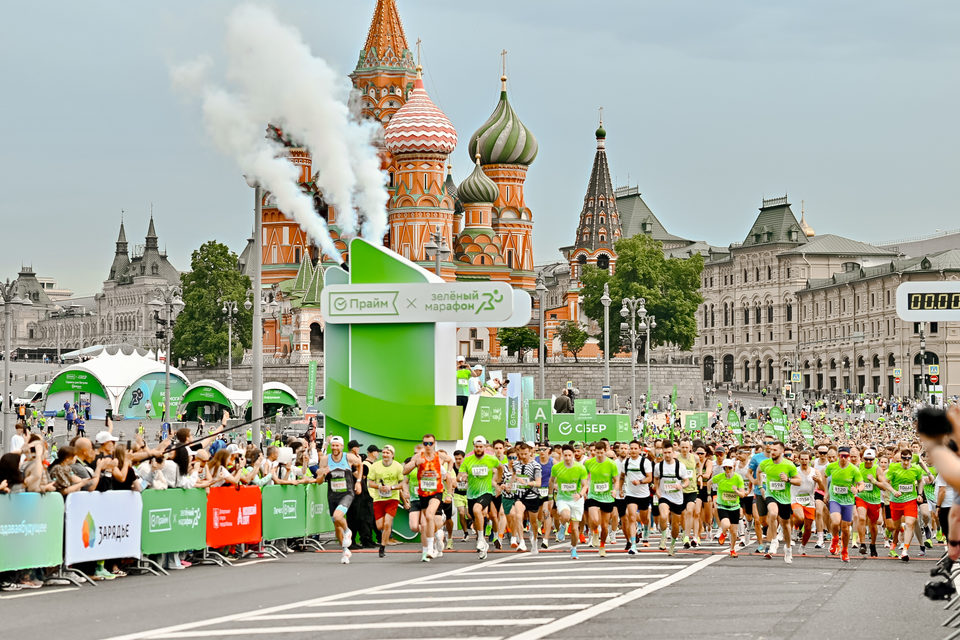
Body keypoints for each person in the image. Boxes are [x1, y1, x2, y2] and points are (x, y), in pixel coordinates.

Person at [403, 433, 451, 562]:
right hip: (422, 494)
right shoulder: (418, 457)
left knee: (429, 515)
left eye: (430, 443)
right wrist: (415, 463)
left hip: (436, 492)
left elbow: (450, 462)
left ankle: (430, 548)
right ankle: (433, 540)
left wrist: (449, 492)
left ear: (434, 444)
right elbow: (404, 471)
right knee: (424, 525)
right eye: (425, 443)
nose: (428, 446)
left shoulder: (439, 457)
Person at [316, 435, 363, 564]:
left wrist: (358, 481)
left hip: (347, 493)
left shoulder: (349, 457)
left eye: (337, 445)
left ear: (342, 446)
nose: (335, 448)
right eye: (333, 445)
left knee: (338, 516)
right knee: (337, 525)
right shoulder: (325, 460)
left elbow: (360, 465)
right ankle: (345, 551)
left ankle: (348, 531)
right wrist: (323, 474)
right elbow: (319, 481)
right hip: (332, 495)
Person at [459, 436, 501, 560]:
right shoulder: (468, 460)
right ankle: (483, 546)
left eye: (481, 447)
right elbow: (460, 474)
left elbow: (501, 467)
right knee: (474, 517)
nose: (478, 449)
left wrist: (497, 481)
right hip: (471, 493)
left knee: (478, 510)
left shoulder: (491, 459)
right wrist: (462, 477)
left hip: (486, 491)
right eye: (476, 447)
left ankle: (481, 539)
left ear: (484, 447)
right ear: (474, 447)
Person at [758, 441, 801, 563]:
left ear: (782, 451)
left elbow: (799, 481)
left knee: (786, 526)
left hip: (784, 498)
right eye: (771, 450)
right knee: (772, 513)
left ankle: (788, 548)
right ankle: (774, 540)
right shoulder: (765, 463)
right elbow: (758, 472)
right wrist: (761, 487)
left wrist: (788, 479)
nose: (772, 452)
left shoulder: (789, 465)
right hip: (771, 495)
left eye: (775, 450)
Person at [825, 445, 864, 563]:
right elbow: (824, 476)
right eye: (841, 456)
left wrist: (857, 490)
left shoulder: (853, 469)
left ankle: (845, 551)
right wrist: (826, 492)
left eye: (846, 456)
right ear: (838, 456)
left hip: (848, 501)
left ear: (849, 457)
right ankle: (835, 539)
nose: (843, 458)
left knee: (846, 529)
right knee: (835, 521)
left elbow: (861, 484)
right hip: (835, 499)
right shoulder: (831, 467)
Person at [654, 439, 691, 556]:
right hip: (664, 496)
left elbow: (687, 481)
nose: (667, 455)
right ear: (662, 453)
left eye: (669, 452)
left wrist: (681, 486)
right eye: (665, 453)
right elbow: (656, 479)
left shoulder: (680, 466)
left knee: (675, 526)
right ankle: (664, 536)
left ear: (673, 453)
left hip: (677, 498)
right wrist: (657, 490)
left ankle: (672, 545)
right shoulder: (658, 466)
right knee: (663, 515)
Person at [550, 444, 588, 559]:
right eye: (565, 455)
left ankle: (574, 548)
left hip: (576, 499)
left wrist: (580, 494)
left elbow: (585, 485)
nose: (567, 458)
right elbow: (551, 481)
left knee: (575, 529)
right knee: (565, 516)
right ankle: (562, 526)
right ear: (562, 455)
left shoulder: (580, 468)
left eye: (569, 455)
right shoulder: (557, 467)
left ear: (573, 455)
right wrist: (551, 494)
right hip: (562, 498)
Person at [886, 447, 924, 561]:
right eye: (904, 459)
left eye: (908, 459)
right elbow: (886, 483)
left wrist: (920, 494)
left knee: (909, 523)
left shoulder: (916, 469)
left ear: (911, 458)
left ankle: (905, 551)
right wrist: (893, 491)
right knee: (896, 527)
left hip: (910, 500)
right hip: (896, 501)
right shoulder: (894, 467)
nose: (906, 461)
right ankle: (894, 543)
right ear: (901, 458)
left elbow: (921, 481)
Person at [367, 444, 403, 558]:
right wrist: (379, 486)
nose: (385, 455)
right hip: (378, 499)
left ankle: (382, 548)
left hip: (392, 498)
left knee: (387, 523)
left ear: (392, 455)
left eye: (388, 453)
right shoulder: (375, 466)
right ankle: (385, 537)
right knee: (379, 526)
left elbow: (402, 483)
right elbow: (370, 482)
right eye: (383, 452)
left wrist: (391, 487)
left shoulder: (398, 466)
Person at [620, 440, 653, 555]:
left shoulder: (645, 462)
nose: (633, 451)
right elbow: (622, 477)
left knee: (644, 519)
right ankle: (633, 544)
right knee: (631, 517)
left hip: (643, 494)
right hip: (630, 494)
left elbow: (649, 478)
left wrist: (640, 481)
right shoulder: (626, 462)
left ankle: (645, 530)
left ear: (640, 449)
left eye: (635, 448)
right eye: (631, 448)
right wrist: (620, 489)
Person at [711, 458, 748, 556]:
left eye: (729, 468)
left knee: (734, 532)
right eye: (725, 468)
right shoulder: (720, 477)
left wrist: (736, 491)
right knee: (726, 524)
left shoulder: (738, 478)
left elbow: (742, 495)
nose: (727, 470)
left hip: (734, 507)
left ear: (733, 468)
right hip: (722, 506)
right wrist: (709, 496)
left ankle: (732, 549)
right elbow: (709, 482)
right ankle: (723, 533)